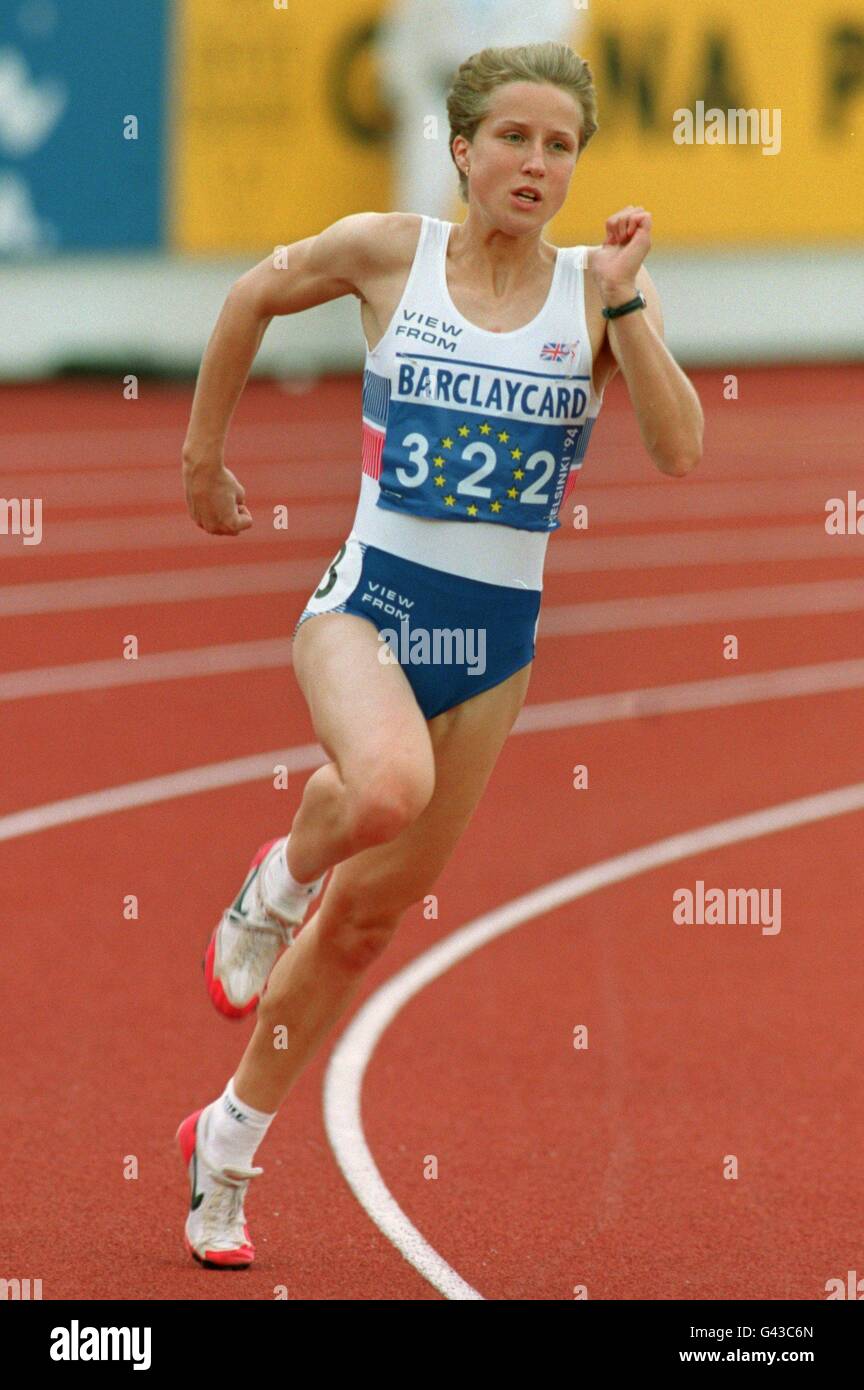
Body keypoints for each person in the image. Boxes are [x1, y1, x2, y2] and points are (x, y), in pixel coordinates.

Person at [178, 40, 704, 1270]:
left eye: (560, 144)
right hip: (366, 609)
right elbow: (253, 293)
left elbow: (680, 449)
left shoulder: (596, 288)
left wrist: (628, 300)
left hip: (496, 649)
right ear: (461, 148)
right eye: (513, 138)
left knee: (363, 928)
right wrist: (201, 456)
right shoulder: (385, 251)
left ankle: (226, 1143)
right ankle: (276, 876)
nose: (536, 163)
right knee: (386, 788)